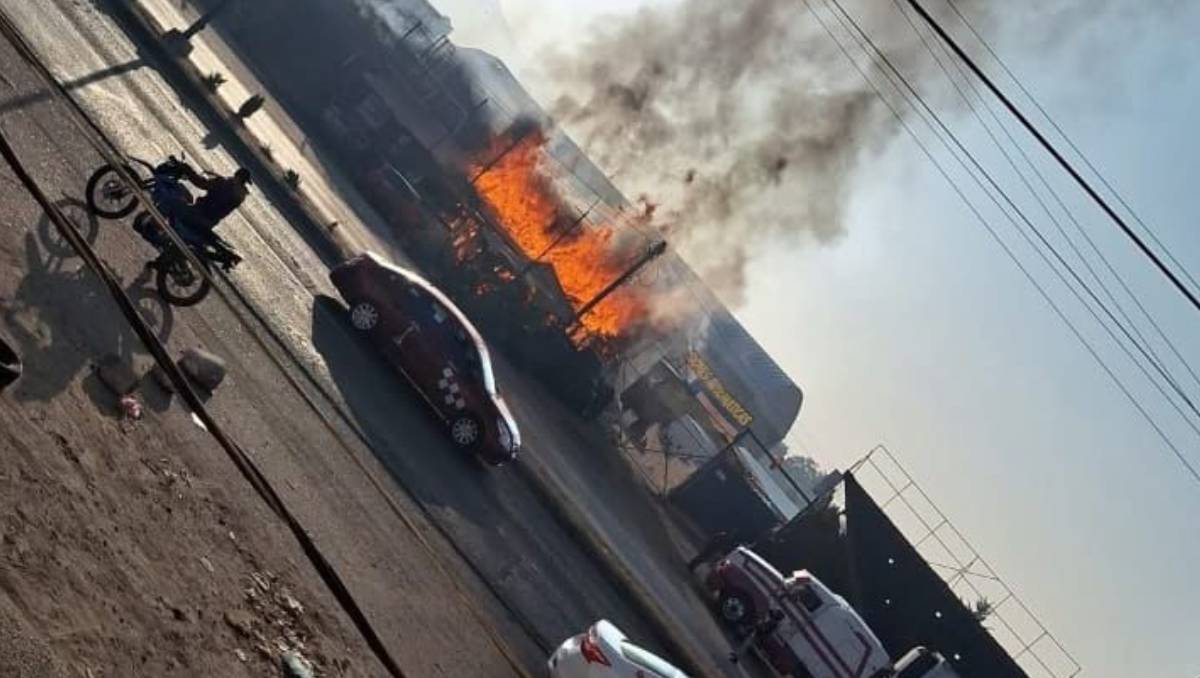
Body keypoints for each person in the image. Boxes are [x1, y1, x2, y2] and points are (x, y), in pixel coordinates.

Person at [164, 164, 252, 246]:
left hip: (197, 214)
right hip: (209, 223)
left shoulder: (224, 184)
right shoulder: (239, 197)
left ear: (237, 175)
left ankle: (158, 226)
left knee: (172, 203)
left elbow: (201, 183)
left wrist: (188, 171)